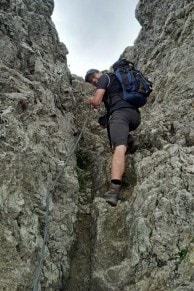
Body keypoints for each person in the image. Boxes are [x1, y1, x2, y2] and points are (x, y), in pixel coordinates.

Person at [85, 68, 141, 206]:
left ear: (98, 72)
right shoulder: (115, 82)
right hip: (134, 116)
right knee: (118, 132)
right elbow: (111, 107)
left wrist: (90, 100)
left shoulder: (105, 78)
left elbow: (97, 101)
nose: (93, 80)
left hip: (120, 115)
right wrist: (104, 119)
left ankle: (114, 191)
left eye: (93, 77)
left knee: (118, 148)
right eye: (91, 81)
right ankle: (129, 141)